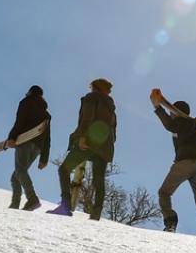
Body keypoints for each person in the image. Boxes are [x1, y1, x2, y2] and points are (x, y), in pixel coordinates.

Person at [150, 93, 196, 236]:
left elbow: (169, 125)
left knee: (164, 193)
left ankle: (170, 221)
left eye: (171, 112)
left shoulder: (181, 122)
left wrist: (157, 108)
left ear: (174, 112)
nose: (170, 114)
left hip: (185, 162)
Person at [50, 79, 116, 218]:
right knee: (98, 179)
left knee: (64, 170)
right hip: (106, 146)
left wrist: (82, 136)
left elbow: (87, 117)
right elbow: (114, 131)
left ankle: (65, 206)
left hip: (90, 140)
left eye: (91, 87)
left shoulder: (92, 97)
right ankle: (96, 213)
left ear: (96, 87)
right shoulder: (111, 108)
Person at [6, 85, 51, 211]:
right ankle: (15, 205)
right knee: (16, 177)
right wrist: (44, 158)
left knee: (20, 171)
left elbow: (20, 121)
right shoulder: (46, 114)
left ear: (30, 93)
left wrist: (12, 137)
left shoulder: (26, 102)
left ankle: (32, 199)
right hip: (37, 147)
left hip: (25, 141)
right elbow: (47, 137)